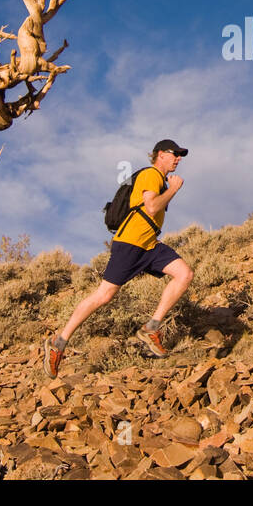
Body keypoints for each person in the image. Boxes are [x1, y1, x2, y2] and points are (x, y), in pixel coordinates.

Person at [44, 139, 194, 377]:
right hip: (130, 243)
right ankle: (59, 342)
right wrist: (174, 189)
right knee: (104, 295)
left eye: (180, 155)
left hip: (149, 245)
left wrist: (170, 189)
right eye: (174, 153)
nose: (178, 158)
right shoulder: (151, 174)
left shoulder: (161, 180)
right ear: (160, 155)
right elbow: (152, 207)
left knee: (184, 274)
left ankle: (151, 328)